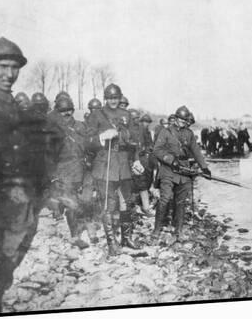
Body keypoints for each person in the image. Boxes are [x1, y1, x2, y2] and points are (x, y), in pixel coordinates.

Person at [0, 37, 47, 315]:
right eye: (3, 66)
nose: (10, 74)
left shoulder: (10, 104)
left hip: (10, 205)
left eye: (15, 68)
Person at [86, 84, 142, 255]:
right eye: (110, 98)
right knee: (108, 205)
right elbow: (87, 140)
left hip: (123, 163)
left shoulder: (126, 115)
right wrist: (101, 137)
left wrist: (137, 160)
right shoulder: (97, 115)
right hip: (105, 163)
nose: (113, 101)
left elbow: (134, 139)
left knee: (126, 202)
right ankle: (112, 243)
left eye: (116, 98)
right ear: (105, 98)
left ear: (120, 98)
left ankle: (126, 239)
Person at [153, 105, 211, 240]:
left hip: (184, 171)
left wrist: (204, 168)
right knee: (165, 198)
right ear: (175, 119)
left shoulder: (189, 134)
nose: (183, 123)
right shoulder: (165, 132)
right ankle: (157, 229)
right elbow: (157, 150)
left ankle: (178, 230)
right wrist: (171, 160)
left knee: (180, 202)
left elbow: (196, 151)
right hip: (168, 170)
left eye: (185, 121)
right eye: (180, 120)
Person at [47, 96, 92, 249]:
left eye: (68, 110)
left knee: (85, 200)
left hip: (81, 168)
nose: (66, 113)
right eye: (62, 111)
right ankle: (75, 236)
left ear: (73, 111)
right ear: (58, 112)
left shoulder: (81, 126)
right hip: (63, 170)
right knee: (71, 202)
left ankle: (83, 228)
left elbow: (89, 146)